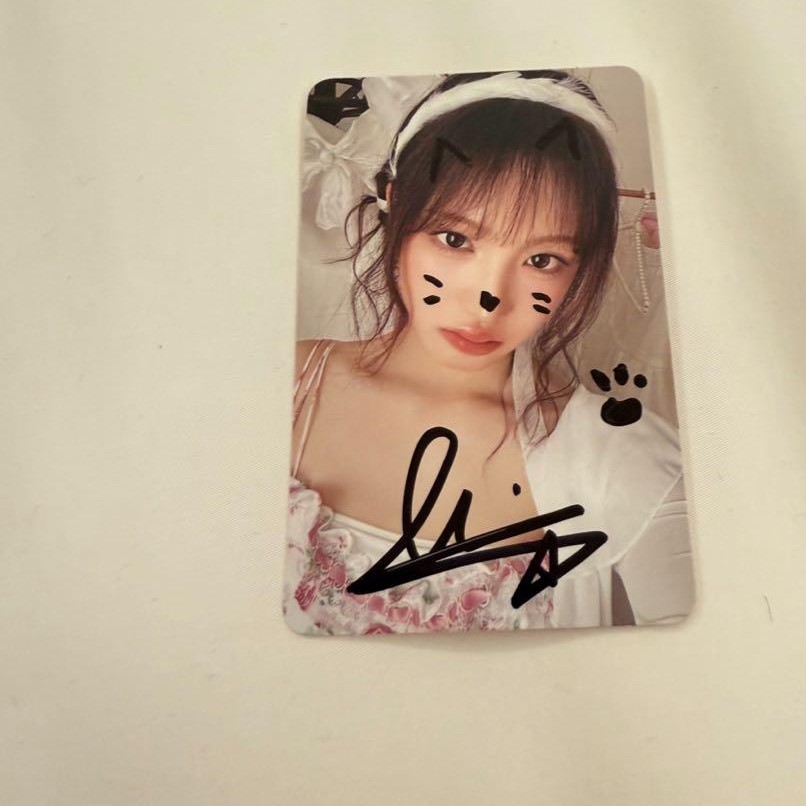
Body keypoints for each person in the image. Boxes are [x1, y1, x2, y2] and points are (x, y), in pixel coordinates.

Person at [284, 70, 691, 635]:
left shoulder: (624, 459)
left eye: (542, 260)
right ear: (396, 206)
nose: (489, 300)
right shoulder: (284, 386)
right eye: (456, 240)